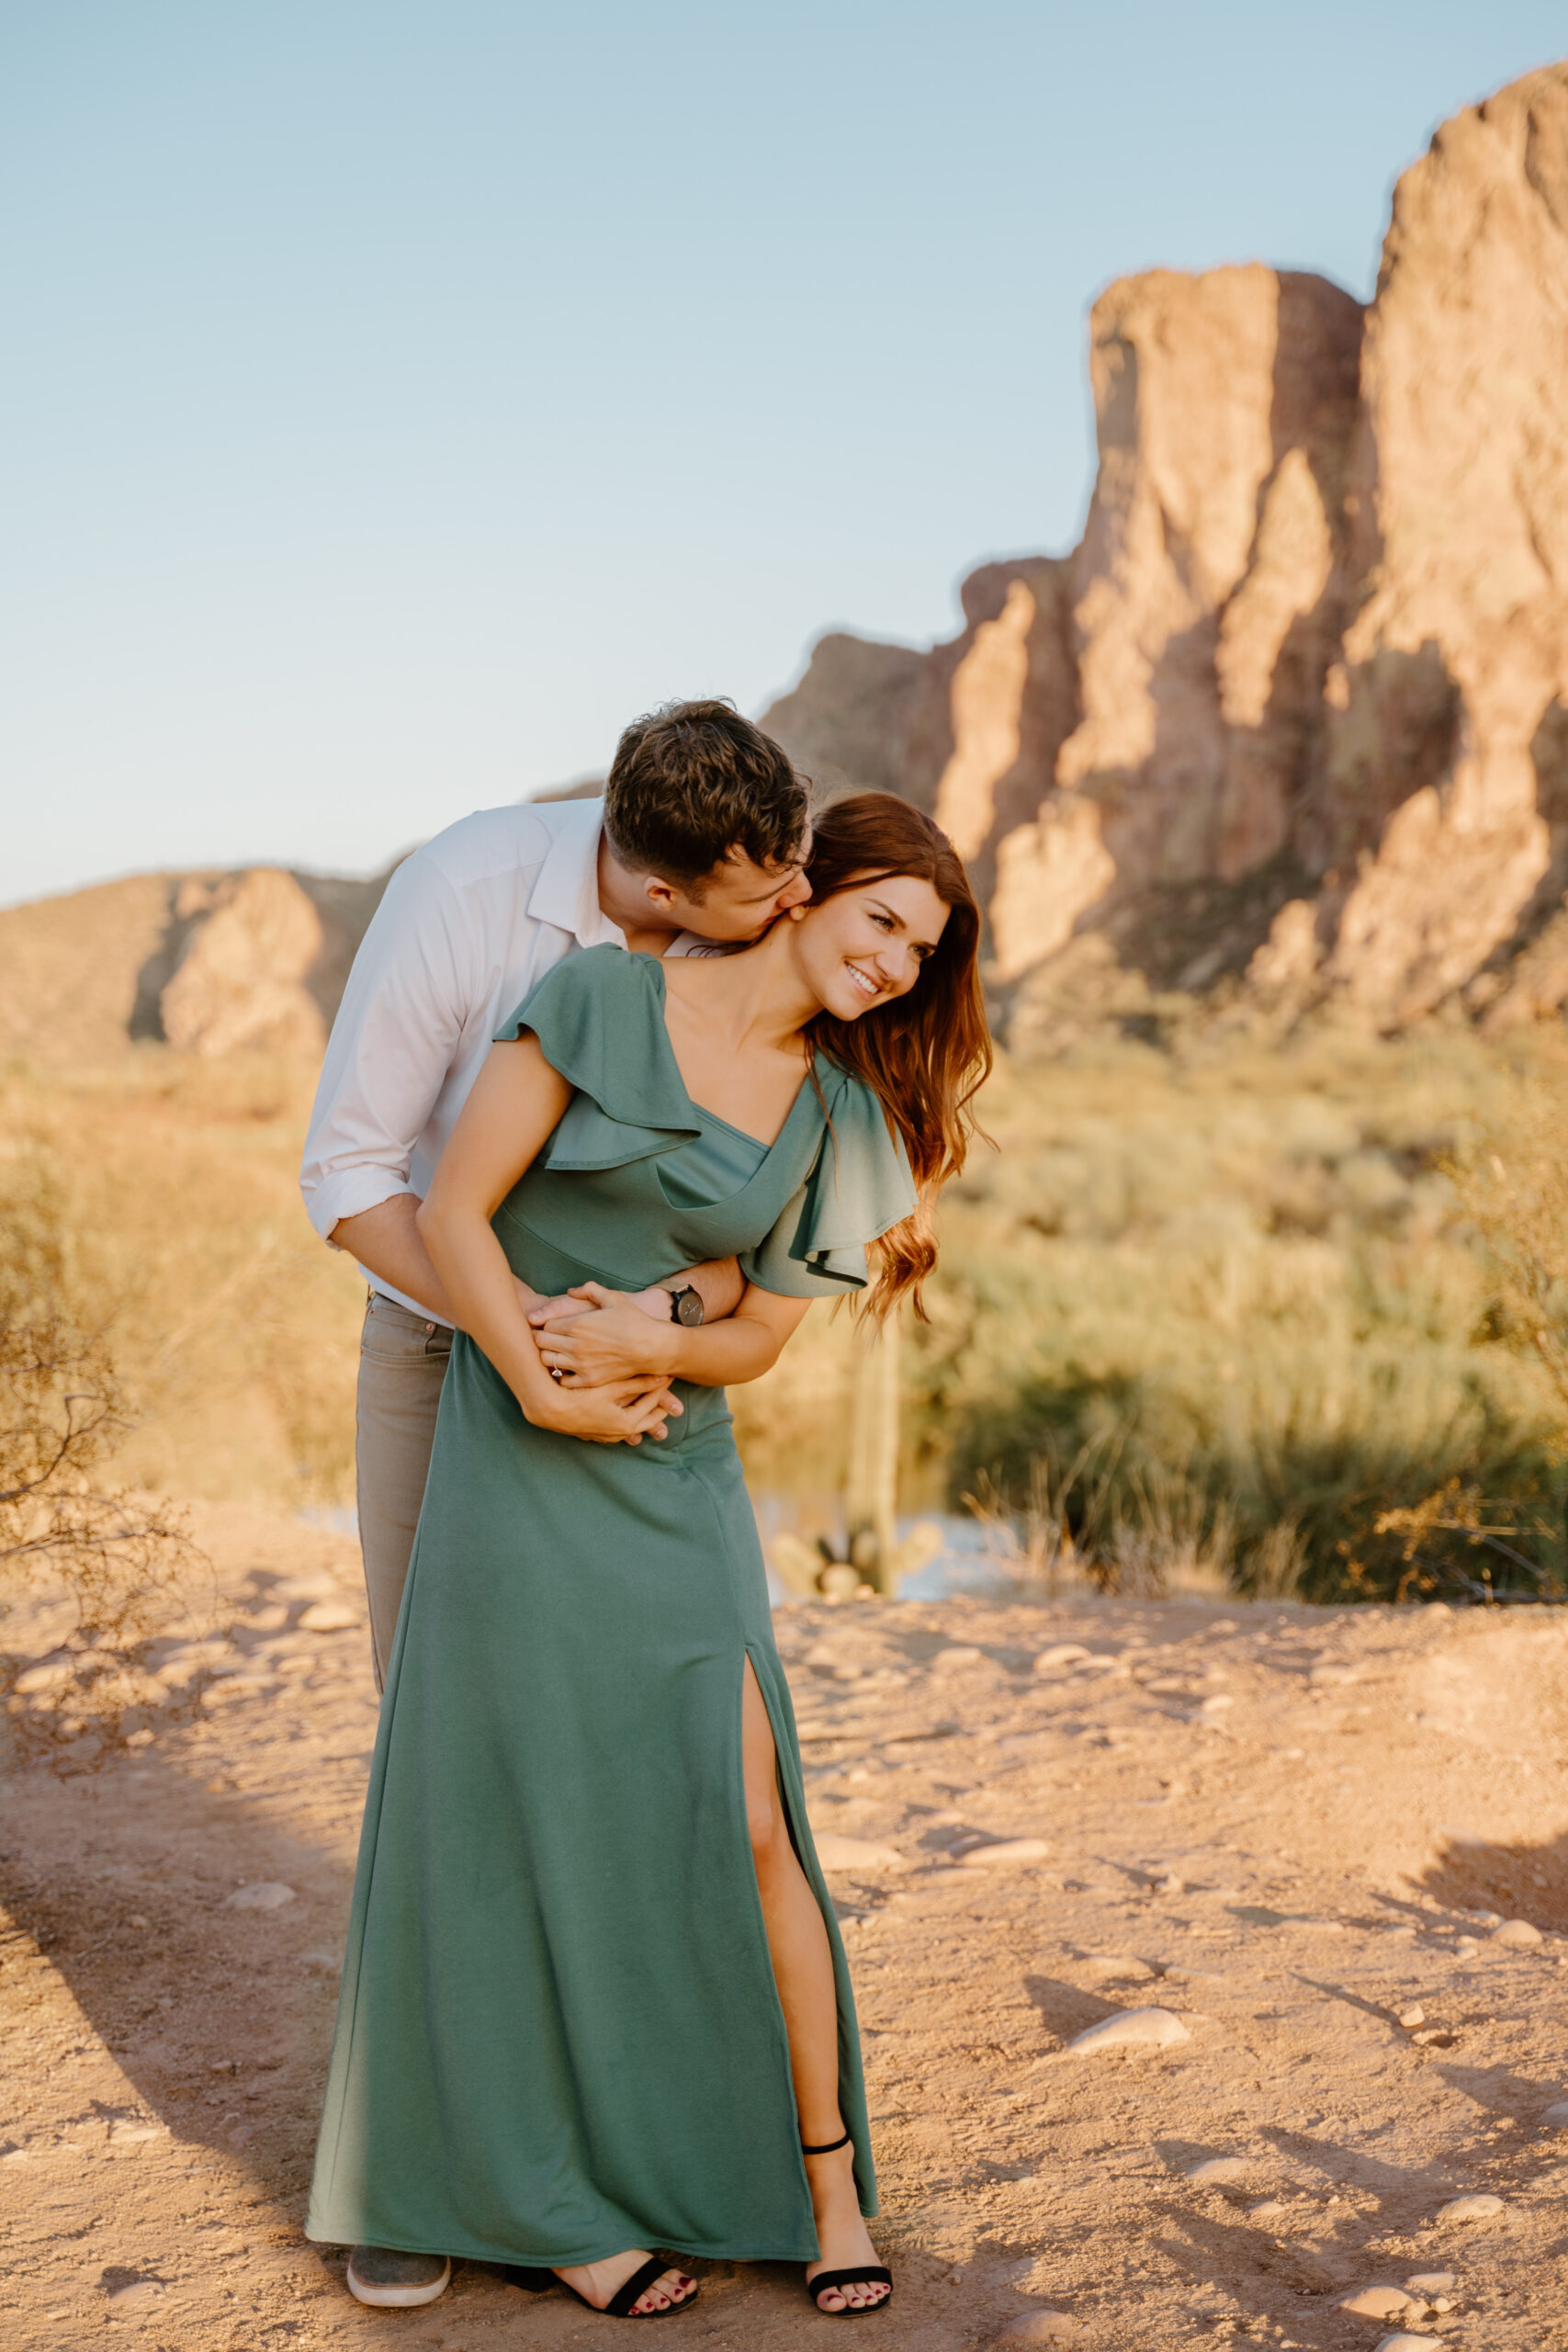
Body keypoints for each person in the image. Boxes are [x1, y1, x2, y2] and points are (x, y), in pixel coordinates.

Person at [304, 793, 991, 2319]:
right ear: (807, 889)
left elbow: (757, 1332)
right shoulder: (598, 996)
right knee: (507, 1813)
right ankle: (541, 2194)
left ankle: (822, 2181)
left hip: (673, 1478)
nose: (894, 962)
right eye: (880, 918)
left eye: (923, 950)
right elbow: (456, 1205)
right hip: (512, 1447)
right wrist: (545, 1364)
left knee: (745, 1814)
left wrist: (652, 1324)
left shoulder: (842, 1119)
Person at [299, 700, 814, 1690]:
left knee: (630, 1697)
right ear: (665, 892)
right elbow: (350, 1175)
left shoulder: (753, 919)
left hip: (649, 1367)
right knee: (436, 1692)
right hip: (436, 1346)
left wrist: (649, 1325)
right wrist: (537, 1335)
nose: (799, 898)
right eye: (772, 887)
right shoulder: (461, 889)